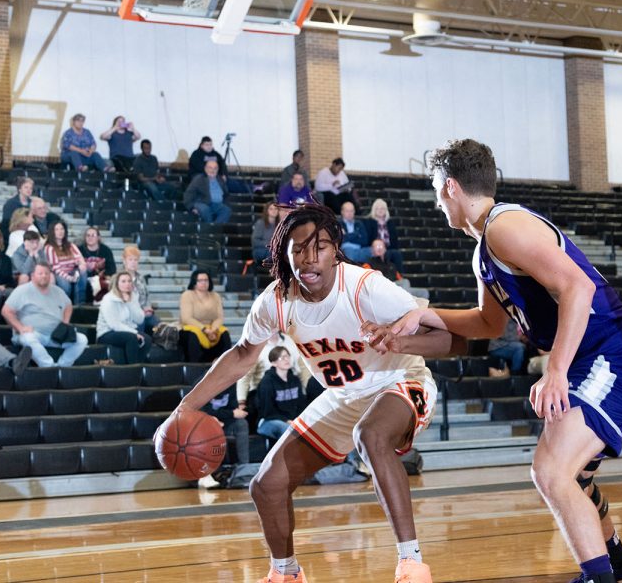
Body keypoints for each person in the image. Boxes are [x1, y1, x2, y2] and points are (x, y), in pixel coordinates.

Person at [364, 139, 622, 583]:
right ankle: (620, 565)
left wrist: (554, 371)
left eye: (438, 192)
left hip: (610, 355)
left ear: (451, 188)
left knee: (550, 471)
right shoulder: (485, 250)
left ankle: (598, 578)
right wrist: (415, 325)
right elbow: (485, 324)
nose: (439, 204)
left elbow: (580, 288)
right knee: (573, 479)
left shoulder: (505, 227)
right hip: (588, 359)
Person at [168, 203, 464, 583]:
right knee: (266, 485)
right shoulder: (276, 301)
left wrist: (400, 341)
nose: (309, 258)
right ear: (283, 253)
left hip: (400, 381)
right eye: (298, 249)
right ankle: (286, 573)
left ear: (335, 248)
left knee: (370, 435)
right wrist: (184, 407)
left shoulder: (364, 286)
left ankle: (412, 563)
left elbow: (448, 339)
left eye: (319, 246)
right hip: (343, 396)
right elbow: (242, 355)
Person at [2, 262, 89, 367]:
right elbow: (6, 311)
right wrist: (20, 328)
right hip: (34, 333)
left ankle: (62, 366)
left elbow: (68, 306)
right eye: (40, 273)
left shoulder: (57, 291)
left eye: (46, 273)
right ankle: (48, 366)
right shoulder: (22, 290)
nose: (44, 276)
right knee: (27, 338)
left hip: (56, 335)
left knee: (82, 339)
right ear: (32, 276)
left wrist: (65, 323)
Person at [199, 385, 251, 488]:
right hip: (202, 422)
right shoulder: (203, 384)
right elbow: (198, 410)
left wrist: (227, 416)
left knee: (241, 423)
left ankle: (244, 470)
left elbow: (233, 409)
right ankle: (206, 474)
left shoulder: (230, 383)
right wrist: (215, 418)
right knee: (212, 429)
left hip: (224, 421)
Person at [96, 271, 151, 364]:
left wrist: (129, 303)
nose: (127, 284)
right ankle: (132, 369)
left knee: (147, 339)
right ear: (117, 284)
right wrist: (134, 333)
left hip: (127, 330)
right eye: (123, 281)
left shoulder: (133, 297)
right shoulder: (108, 299)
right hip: (107, 332)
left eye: (129, 281)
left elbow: (140, 319)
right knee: (132, 338)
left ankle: (138, 365)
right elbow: (114, 324)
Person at [256, 346, 309, 440]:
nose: (286, 359)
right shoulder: (267, 382)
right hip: (269, 421)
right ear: (274, 363)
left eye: (287, 356)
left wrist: (297, 420)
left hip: (292, 421)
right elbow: (267, 411)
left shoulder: (295, 380)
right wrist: (287, 421)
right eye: (282, 358)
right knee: (288, 431)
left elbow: (301, 404)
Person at [179, 270, 232, 362]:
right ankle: (195, 366)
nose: (203, 283)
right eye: (200, 280)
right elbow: (186, 318)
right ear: (194, 282)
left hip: (212, 328)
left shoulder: (215, 296)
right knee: (193, 336)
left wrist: (213, 329)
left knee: (224, 333)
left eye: (206, 280)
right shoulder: (187, 295)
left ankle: (225, 364)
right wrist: (204, 329)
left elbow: (219, 317)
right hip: (192, 327)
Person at [363, 239, 428, 300]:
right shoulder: (368, 264)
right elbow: (369, 280)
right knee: (405, 282)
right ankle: (407, 303)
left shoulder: (391, 265)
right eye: (376, 246)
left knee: (423, 292)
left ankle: (408, 303)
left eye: (381, 246)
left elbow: (400, 279)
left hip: (397, 288)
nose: (379, 248)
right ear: (372, 249)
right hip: (383, 288)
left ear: (385, 249)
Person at [44, 221, 88, 305]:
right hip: (59, 273)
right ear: (52, 232)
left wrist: (82, 265)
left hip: (72, 270)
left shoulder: (71, 245)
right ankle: (65, 307)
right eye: (56, 229)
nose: (60, 232)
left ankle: (80, 304)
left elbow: (80, 258)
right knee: (65, 286)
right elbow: (56, 269)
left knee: (83, 271)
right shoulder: (49, 248)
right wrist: (70, 278)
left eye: (62, 229)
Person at [122, 245, 159, 334]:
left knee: (159, 326)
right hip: (128, 315)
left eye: (136, 260)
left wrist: (148, 308)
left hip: (145, 312)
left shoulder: (141, 278)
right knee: (140, 321)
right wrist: (141, 312)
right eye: (130, 259)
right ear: (124, 261)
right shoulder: (120, 278)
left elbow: (147, 296)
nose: (133, 262)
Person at [363, 198, 404, 274]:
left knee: (396, 253)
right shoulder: (368, 222)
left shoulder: (390, 223)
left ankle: (400, 277)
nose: (380, 210)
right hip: (374, 248)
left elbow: (395, 240)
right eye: (377, 208)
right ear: (374, 210)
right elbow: (367, 239)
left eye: (382, 208)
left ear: (386, 210)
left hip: (388, 248)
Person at [184, 160, 232, 224]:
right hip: (202, 203)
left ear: (218, 169)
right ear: (205, 169)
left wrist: (226, 204)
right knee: (205, 210)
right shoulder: (199, 179)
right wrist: (191, 208)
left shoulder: (220, 179)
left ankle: (215, 229)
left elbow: (226, 194)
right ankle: (208, 229)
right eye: (210, 168)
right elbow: (188, 194)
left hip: (216, 205)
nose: (213, 170)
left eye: (215, 168)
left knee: (226, 210)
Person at [80, 227, 117, 302]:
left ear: (98, 237)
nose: (90, 237)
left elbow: (112, 268)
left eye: (93, 235)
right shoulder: (79, 249)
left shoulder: (106, 250)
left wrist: (104, 274)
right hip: (84, 278)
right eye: (88, 235)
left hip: (101, 278)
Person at [0, 225, 15, 318]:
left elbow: (10, 279)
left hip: (4, 288)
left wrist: (4, 287)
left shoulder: (6, 259)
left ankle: (12, 327)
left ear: (0, 237)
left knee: (14, 293)